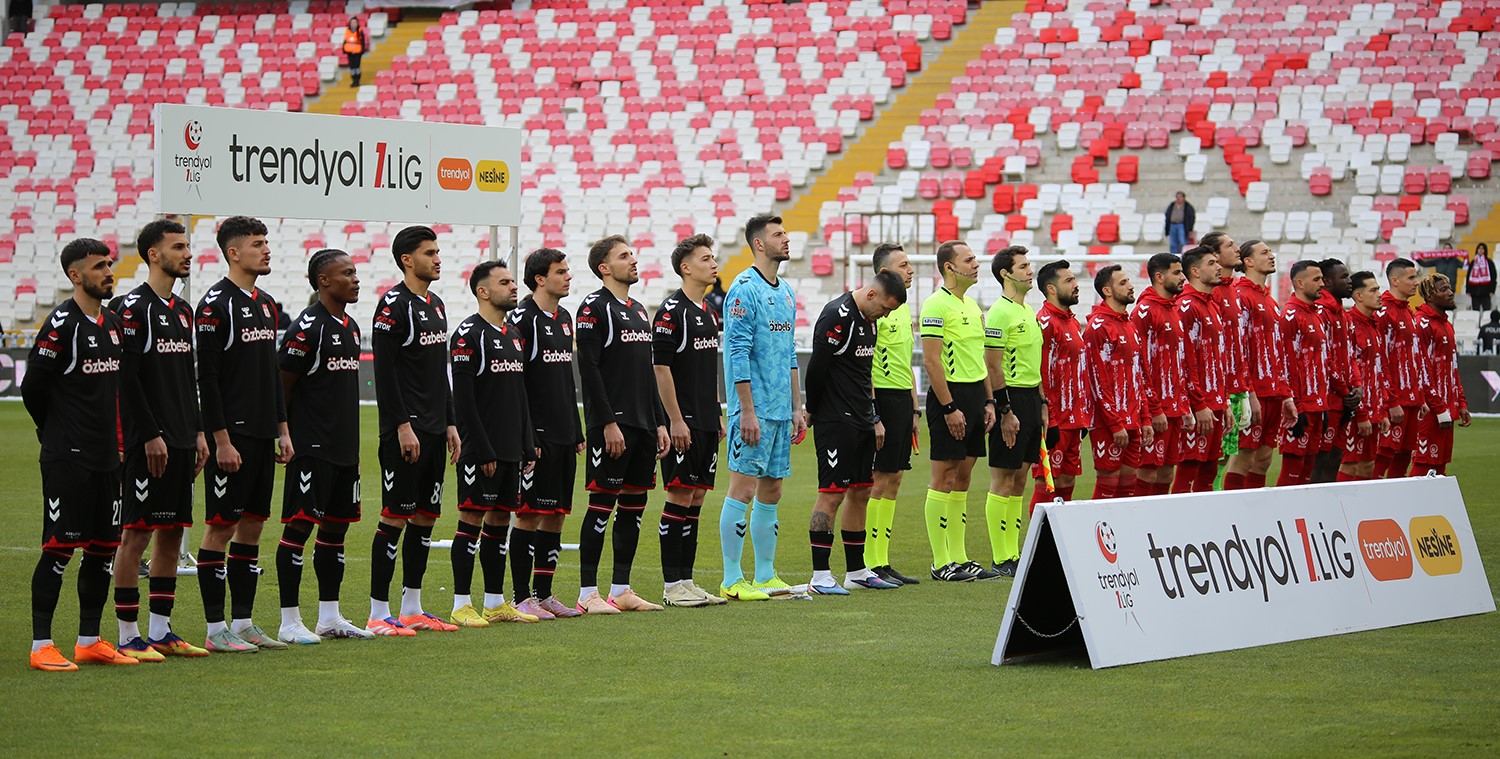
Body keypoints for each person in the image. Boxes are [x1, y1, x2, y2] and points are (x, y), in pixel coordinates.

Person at [23, 239, 136, 671]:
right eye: (99, 266)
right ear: (75, 275)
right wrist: (52, 430)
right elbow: (33, 387)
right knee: (59, 549)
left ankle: (89, 640)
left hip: (107, 456)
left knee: (103, 550)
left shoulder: (112, 323)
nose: (109, 272)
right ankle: (41, 646)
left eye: (109, 264)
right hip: (68, 457)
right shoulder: (61, 325)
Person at [110, 220, 210, 660]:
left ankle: (160, 630)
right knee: (135, 536)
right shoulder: (131, 308)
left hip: (183, 439)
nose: (188, 254)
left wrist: (199, 430)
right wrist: (150, 434)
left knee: (171, 534)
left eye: (188, 246)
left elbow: (188, 377)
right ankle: (128, 634)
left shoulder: (182, 310)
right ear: (154, 254)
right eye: (178, 246)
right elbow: (126, 379)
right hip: (148, 443)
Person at [195, 216, 293, 652]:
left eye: (266, 242)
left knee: (252, 528)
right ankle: (215, 628)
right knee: (220, 528)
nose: (266, 249)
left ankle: (244, 622)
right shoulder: (215, 304)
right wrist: (220, 440)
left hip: (261, 434)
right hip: (230, 437)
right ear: (233, 253)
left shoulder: (267, 304)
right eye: (257, 244)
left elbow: (272, 373)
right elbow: (207, 378)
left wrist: (282, 429)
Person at [274, 249, 374, 642]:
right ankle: (288, 621)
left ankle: (329, 618)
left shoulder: (350, 326)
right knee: (298, 529)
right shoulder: (306, 328)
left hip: (345, 449)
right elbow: (282, 386)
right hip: (311, 447)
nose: (355, 279)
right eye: (346, 273)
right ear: (323, 281)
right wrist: (285, 433)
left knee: (335, 532)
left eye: (355, 272)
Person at [368, 225, 461, 635]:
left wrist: (451, 422)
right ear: (407, 260)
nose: (437, 259)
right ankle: (377, 612)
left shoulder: (435, 304)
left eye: (437, 251)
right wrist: (402, 425)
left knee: (425, 519)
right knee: (395, 517)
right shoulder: (392, 305)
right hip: (406, 432)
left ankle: (411, 608)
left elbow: (439, 373)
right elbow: (385, 374)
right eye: (429, 253)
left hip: (436, 429)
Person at [575, 235, 670, 613]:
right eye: (623, 256)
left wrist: (659, 422)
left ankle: (621, 589)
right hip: (613, 425)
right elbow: (589, 369)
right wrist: (606, 422)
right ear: (604, 268)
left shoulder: (639, 309)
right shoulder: (593, 307)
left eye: (632, 254)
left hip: (644, 424)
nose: (633, 260)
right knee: (602, 505)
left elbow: (646, 372)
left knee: (634, 507)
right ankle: (587, 593)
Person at [448, 260, 543, 625]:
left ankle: (494, 601)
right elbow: (463, 400)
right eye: (504, 282)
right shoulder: (467, 334)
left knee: (500, 521)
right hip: (481, 448)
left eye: (512, 281)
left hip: (510, 447)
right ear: (483, 291)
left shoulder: (513, 334)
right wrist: (481, 447)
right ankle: (461, 604)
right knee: (471, 518)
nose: (513, 287)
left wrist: (527, 441)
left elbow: (520, 394)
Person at [720, 214, 807, 600]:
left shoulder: (786, 292)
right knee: (742, 490)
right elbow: (737, 353)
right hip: (752, 411)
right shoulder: (743, 289)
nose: (786, 239)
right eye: (778, 234)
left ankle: (766, 575)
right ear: (759, 243)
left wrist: (797, 407)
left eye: (785, 233)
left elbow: (789, 355)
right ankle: (731, 579)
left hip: (780, 411)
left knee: (772, 491)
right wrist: (747, 410)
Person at [803, 272, 907, 594]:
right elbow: (817, 368)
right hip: (835, 420)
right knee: (831, 493)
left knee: (861, 491)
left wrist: (874, 417)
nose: (885, 315)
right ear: (872, 295)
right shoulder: (837, 315)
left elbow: (864, 375)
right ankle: (820, 576)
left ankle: (857, 571)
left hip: (862, 420)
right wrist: (812, 409)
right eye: (885, 308)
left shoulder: (870, 322)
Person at [653, 234, 729, 607]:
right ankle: (671, 587)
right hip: (682, 421)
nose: (713, 264)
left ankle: (687, 580)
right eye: (705, 259)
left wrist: (716, 412)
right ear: (686, 268)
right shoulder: (671, 311)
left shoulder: (709, 312)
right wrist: (675, 420)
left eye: (713, 258)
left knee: (696, 497)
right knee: (679, 494)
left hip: (705, 419)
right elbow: (660, 368)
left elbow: (707, 368)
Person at [510, 249, 586, 619]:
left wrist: (576, 428)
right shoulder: (522, 319)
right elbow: (516, 382)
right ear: (540, 278)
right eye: (561, 271)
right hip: (536, 436)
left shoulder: (564, 318)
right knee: (529, 514)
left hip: (563, 432)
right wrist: (527, 436)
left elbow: (565, 380)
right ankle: (520, 596)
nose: (568, 276)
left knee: (556, 514)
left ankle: (544, 594)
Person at [919, 241, 994, 583]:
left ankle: (960, 558)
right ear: (949, 267)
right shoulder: (935, 305)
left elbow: (980, 359)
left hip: (976, 395)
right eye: (969, 260)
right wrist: (949, 407)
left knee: (963, 477)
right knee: (944, 476)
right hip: (949, 396)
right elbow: (931, 361)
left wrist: (989, 402)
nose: (976, 264)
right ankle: (940, 562)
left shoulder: (973, 305)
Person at [982, 246, 1045, 579]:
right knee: (1003, 479)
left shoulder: (1028, 311)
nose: (1030, 271)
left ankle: (1013, 553)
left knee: (1020, 479)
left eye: (1029, 265)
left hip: (1031, 399)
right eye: (1023, 266)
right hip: (1011, 400)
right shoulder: (999, 313)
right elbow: (992, 365)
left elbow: (1035, 363)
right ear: (1005, 274)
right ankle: (1000, 556)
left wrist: (1042, 403)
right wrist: (1005, 409)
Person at [866, 243, 921, 586]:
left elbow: (907, 363)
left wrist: (914, 408)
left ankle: (883, 560)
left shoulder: (902, 308)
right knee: (879, 478)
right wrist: (874, 412)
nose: (911, 269)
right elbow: (867, 364)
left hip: (902, 399)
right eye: (903, 265)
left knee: (895, 477)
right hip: (882, 398)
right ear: (885, 272)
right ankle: (869, 562)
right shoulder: (876, 310)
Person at [1225, 240, 1296, 490]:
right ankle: (1233, 508)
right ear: (1248, 261)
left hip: (1273, 390)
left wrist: (1286, 395)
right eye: (1264, 252)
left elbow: (1277, 351)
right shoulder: (1241, 296)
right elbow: (1238, 347)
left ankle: (1255, 510)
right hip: (1252, 391)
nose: (1271, 256)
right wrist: (1249, 392)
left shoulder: (1269, 300)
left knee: (1264, 459)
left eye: (1271, 252)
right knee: (1243, 457)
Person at [1085, 265, 1154, 499]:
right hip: (1109, 423)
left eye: (1129, 281)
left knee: (1128, 486)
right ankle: (1096, 525)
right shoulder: (1098, 327)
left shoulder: (1128, 324)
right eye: (1123, 283)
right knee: (1108, 483)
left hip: (1133, 419)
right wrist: (1115, 424)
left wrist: (1145, 418)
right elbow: (1097, 382)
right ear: (1107, 291)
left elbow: (1137, 376)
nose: (1131, 286)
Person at [1029, 259, 1089, 507]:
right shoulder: (1045, 323)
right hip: (1055, 420)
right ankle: (1039, 534)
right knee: (1047, 482)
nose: (1076, 285)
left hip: (1074, 419)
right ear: (1051, 289)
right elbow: (1039, 373)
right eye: (1069, 280)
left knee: (1066, 482)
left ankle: (1059, 534)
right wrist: (1049, 418)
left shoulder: (1072, 321)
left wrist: (1083, 415)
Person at [1132, 253, 1193, 496]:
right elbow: (1140, 365)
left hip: (1175, 407)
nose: (1183, 277)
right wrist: (1153, 409)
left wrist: (1184, 405)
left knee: (1167, 473)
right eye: (1176, 273)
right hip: (1156, 408)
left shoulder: (1173, 309)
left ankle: (1157, 520)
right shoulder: (1145, 311)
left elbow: (1179, 362)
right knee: (1147, 472)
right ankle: (1137, 518)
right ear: (1159, 277)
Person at [1172, 245, 1229, 493]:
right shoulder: (1187, 306)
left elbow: (1217, 359)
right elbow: (1184, 360)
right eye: (1211, 263)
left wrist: (1224, 401)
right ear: (1194, 271)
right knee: (1190, 467)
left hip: (1215, 401)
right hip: (1199, 405)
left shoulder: (1211, 305)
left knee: (1210, 468)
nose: (1218, 267)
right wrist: (1197, 404)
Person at [1410, 273, 1471, 475]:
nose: (1450, 292)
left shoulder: (1446, 324)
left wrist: (1461, 403)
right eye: (1443, 289)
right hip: (1430, 410)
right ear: (1430, 296)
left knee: (1439, 465)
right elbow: (1422, 370)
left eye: (1449, 288)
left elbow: (1453, 368)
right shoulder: (1421, 324)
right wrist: (1439, 408)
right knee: (1423, 464)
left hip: (1446, 406)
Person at [1277, 261, 1331, 487]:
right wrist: (1295, 405)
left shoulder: (1316, 314)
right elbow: (1285, 363)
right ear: (1300, 283)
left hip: (1318, 404)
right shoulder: (1290, 316)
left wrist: (1324, 404)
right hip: (1301, 406)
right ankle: (1282, 508)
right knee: (1293, 469)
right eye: (1316, 279)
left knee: (1308, 469)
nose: (1322, 284)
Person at [1312, 259, 1361, 483]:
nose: (1350, 281)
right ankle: (1312, 503)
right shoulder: (1321, 312)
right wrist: (1345, 390)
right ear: (1327, 281)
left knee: (1335, 456)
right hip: (1328, 399)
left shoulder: (1343, 314)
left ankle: (1328, 502)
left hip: (1344, 399)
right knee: (1320, 459)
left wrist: (1357, 386)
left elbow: (1351, 355)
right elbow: (1325, 359)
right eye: (1344, 277)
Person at [1339, 271, 1390, 481]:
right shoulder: (1349, 324)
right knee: (1349, 464)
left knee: (1368, 465)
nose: (1380, 294)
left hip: (1375, 409)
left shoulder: (1373, 324)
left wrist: (1382, 410)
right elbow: (1349, 372)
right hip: (1356, 412)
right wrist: (1360, 414)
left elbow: (1378, 371)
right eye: (1374, 290)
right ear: (1359, 296)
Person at [1203, 232, 1245, 489]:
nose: (1237, 249)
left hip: (1235, 384)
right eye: (1230, 245)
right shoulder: (1214, 293)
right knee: (1215, 455)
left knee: (1227, 451)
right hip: (1219, 387)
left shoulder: (1232, 289)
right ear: (1215, 255)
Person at [1374, 258, 1422, 479]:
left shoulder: (1408, 312)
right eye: (1411, 278)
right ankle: (1370, 497)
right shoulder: (1384, 312)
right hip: (1395, 400)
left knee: (1404, 455)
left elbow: (1413, 358)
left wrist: (1419, 396)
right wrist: (1390, 400)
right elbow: (1380, 360)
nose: (1416, 282)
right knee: (1384, 454)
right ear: (1395, 281)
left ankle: (1394, 499)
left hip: (1411, 398)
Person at [1164, 191, 1195, 256]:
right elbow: (1167, 214)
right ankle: (1173, 255)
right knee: (1173, 243)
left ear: (1183, 198)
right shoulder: (1172, 205)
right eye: (1177, 197)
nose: (1178, 198)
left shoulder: (1187, 206)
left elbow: (1191, 217)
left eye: (1180, 197)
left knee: (1182, 242)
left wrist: (1190, 228)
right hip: (1172, 225)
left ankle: (1183, 255)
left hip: (1182, 225)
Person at [1467, 243, 1494, 312]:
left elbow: (1493, 276)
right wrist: (1468, 290)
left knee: (1487, 311)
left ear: (1485, 250)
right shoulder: (1473, 262)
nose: (1480, 250)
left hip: (1486, 291)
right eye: (1479, 248)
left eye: (1482, 248)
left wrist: (1492, 290)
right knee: (1475, 312)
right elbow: (1468, 276)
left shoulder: (1489, 262)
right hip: (1474, 292)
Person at [343, 17, 368, 87]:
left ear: (357, 23)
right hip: (349, 52)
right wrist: (344, 49)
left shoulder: (360, 31)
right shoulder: (347, 31)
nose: (353, 24)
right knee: (352, 67)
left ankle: (357, 80)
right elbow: (345, 40)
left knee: (357, 66)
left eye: (355, 22)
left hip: (357, 52)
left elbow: (362, 41)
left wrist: (362, 50)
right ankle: (353, 80)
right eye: (352, 22)